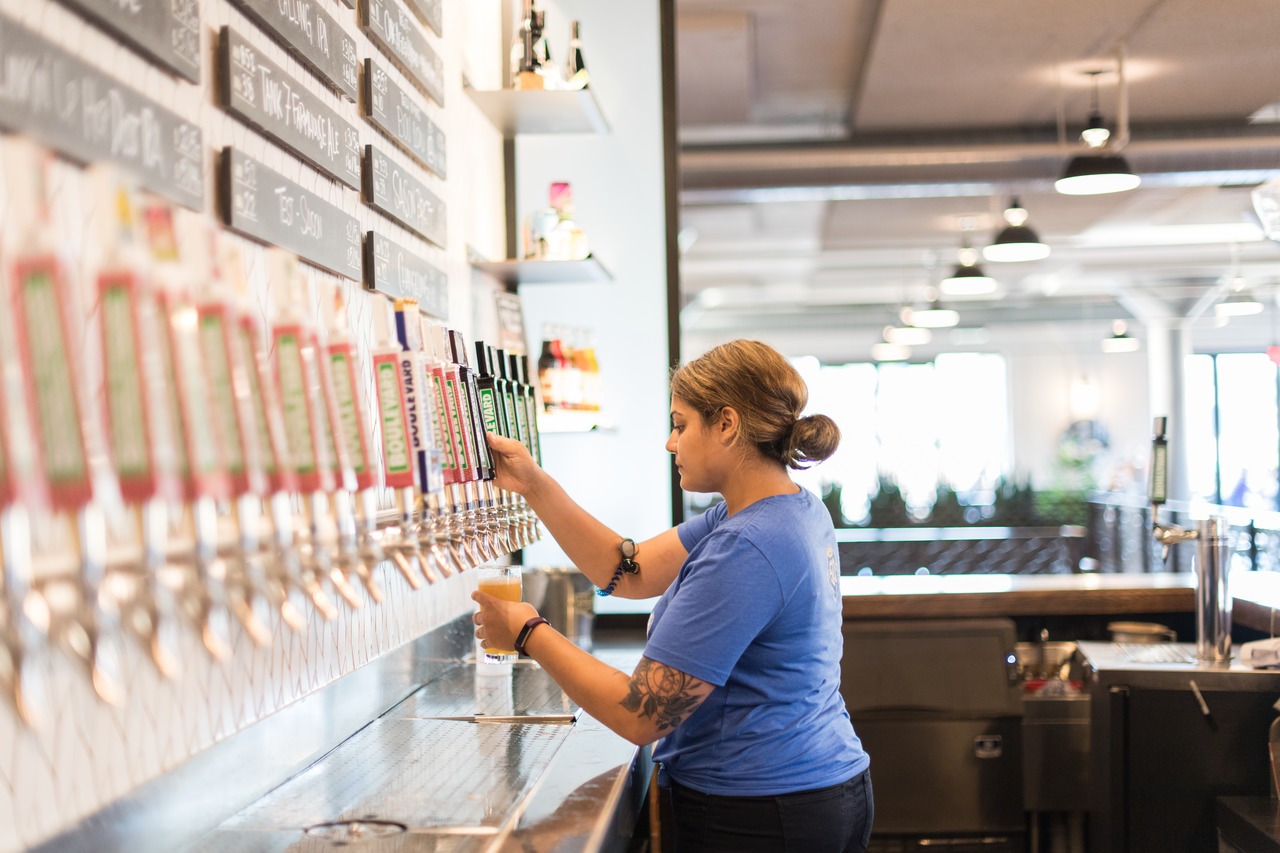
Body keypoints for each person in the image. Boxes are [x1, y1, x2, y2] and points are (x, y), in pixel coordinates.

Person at [473, 339, 873, 852]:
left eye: (680, 425)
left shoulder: (747, 545)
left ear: (726, 424)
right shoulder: (779, 509)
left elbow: (643, 715)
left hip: (764, 812)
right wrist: (533, 484)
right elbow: (629, 570)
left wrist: (528, 632)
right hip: (814, 788)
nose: (670, 442)